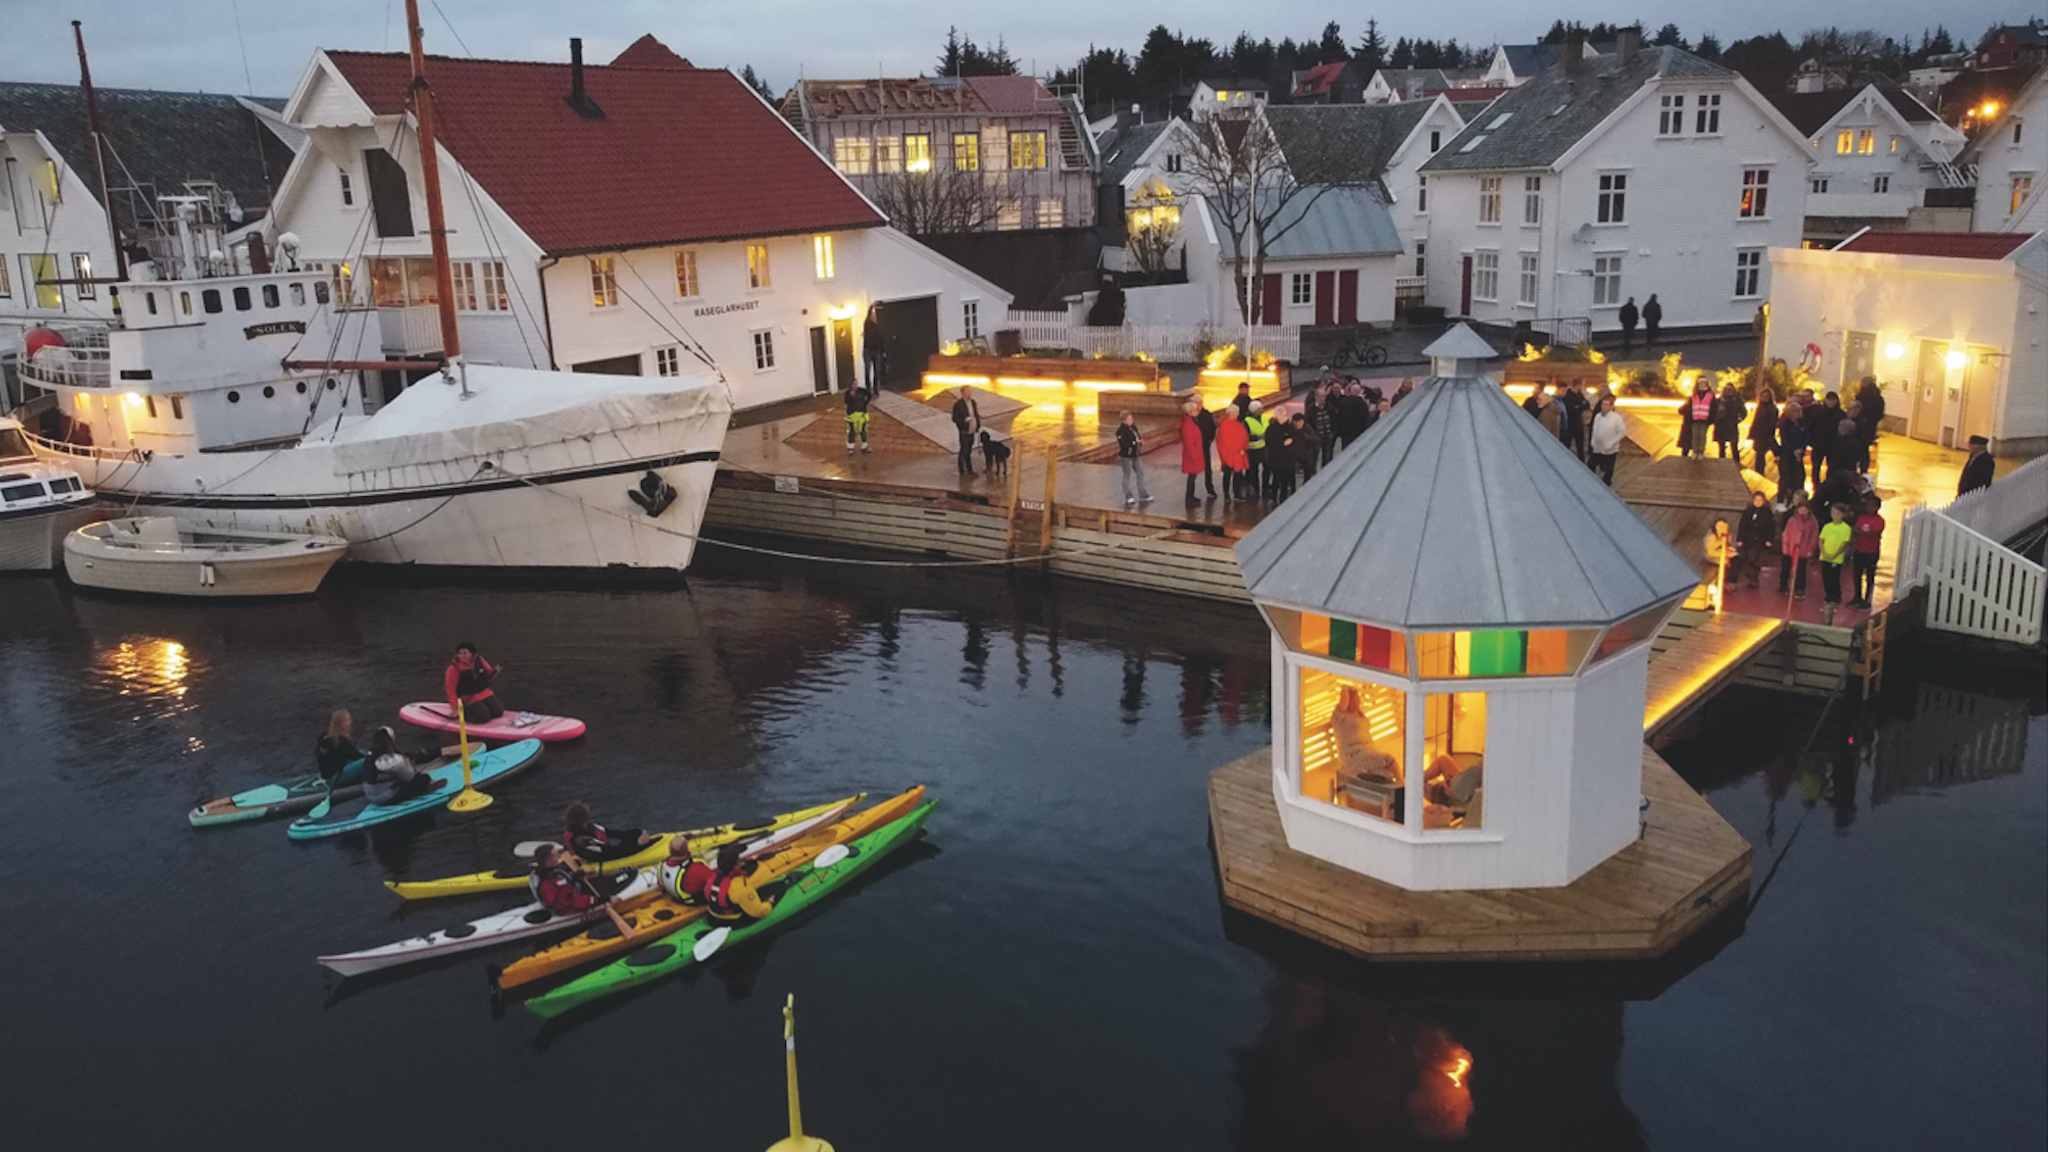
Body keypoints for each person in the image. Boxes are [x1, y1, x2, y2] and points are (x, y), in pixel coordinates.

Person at [530, 843, 634, 916]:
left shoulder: (541, 873)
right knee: (611, 886)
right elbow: (574, 901)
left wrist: (574, 876)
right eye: (555, 855)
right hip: (570, 906)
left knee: (606, 880)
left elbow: (563, 884)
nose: (558, 857)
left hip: (572, 894)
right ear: (548, 860)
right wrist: (605, 900)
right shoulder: (552, 884)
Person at [362, 725, 445, 806]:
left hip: (369, 794)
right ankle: (428, 785)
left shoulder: (370, 754)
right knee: (422, 779)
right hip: (384, 796)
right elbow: (409, 777)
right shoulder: (393, 759)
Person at [1333, 686, 1399, 783]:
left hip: (1367, 750)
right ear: (1346, 702)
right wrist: (1346, 679)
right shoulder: (1340, 716)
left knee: (1387, 775)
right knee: (1389, 760)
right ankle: (1404, 788)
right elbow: (1344, 696)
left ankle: (1383, 795)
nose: (1356, 704)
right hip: (1353, 756)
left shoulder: (1359, 713)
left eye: (1357, 700)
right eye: (1353, 701)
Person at [704, 840, 777, 924]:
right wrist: (770, 903)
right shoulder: (739, 886)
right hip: (735, 920)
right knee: (773, 891)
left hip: (714, 915)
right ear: (735, 865)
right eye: (739, 860)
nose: (742, 860)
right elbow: (759, 911)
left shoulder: (712, 878)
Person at [563, 801, 656, 862]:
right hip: (604, 857)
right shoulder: (580, 839)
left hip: (607, 850)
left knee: (635, 832)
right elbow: (609, 852)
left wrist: (637, 832)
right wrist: (637, 844)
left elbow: (612, 833)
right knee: (632, 844)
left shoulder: (590, 826)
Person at [445, 641, 504, 724]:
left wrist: (495, 671)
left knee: (498, 712)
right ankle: (464, 714)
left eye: (465, 653)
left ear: (472, 654)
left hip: (483, 692)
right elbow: (450, 689)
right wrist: (456, 707)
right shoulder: (453, 669)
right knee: (483, 717)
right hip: (467, 698)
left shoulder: (480, 661)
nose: (462, 656)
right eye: (460, 653)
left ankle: (481, 708)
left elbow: (488, 674)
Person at [1817, 503, 1854, 622]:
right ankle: (1828, 594)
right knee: (1825, 576)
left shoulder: (1846, 528)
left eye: (1838, 513)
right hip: (1825, 556)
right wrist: (1824, 552)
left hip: (1836, 559)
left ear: (1843, 514)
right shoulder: (1827, 527)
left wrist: (1834, 554)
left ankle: (1836, 595)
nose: (1835, 516)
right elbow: (1821, 540)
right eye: (1833, 513)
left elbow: (1844, 544)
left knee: (1834, 577)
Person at [656, 834, 718, 905]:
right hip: (693, 901)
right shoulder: (695, 869)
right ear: (687, 850)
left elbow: (660, 883)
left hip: (674, 895)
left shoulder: (661, 866)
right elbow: (714, 879)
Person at [1734, 490, 1776, 588]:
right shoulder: (1747, 512)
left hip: (1761, 540)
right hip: (1748, 540)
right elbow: (1742, 526)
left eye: (1760, 500)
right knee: (1746, 559)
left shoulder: (1767, 513)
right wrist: (1740, 539)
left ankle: (1754, 579)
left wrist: (1769, 540)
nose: (1757, 502)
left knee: (1757, 561)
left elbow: (1771, 527)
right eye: (1756, 499)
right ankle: (1751, 577)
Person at [1778, 500, 1819, 599]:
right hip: (1791, 548)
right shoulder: (1792, 520)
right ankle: (1784, 585)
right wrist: (1786, 547)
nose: (1803, 511)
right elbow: (1786, 533)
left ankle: (1800, 588)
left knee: (1801, 570)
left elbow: (1814, 536)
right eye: (1801, 509)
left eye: (1805, 509)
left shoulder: (1813, 522)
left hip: (1803, 550)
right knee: (1787, 567)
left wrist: (1811, 548)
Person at [1851, 497, 1885, 610]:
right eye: (1868, 506)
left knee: (1870, 575)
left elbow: (1874, 533)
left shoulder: (1880, 520)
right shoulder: (1862, 518)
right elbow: (1856, 529)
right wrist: (1863, 532)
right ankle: (1857, 596)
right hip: (1860, 550)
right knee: (1857, 574)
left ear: (1878, 507)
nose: (1870, 508)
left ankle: (1867, 599)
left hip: (1872, 552)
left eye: (1873, 506)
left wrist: (1862, 532)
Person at [315, 709, 365, 784]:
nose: (351, 722)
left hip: (327, 773)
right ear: (341, 723)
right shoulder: (341, 741)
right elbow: (356, 756)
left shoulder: (324, 736)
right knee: (367, 760)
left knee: (363, 751)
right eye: (347, 720)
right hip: (336, 777)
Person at [1587, 394, 1626, 485]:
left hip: (1609, 448)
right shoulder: (1598, 416)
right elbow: (1594, 429)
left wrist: (1612, 443)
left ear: (1611, 406)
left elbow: (1622, 432)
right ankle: (1590, 481)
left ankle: (1607, 483)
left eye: (1606, 405)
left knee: (1608, 468)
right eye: (1603, 404)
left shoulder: (1616, 418)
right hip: (1597, 447)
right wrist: (1593, 441)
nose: (1603, 407)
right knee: (1591, 465)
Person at [1216, 406, 1250, 501]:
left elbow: (1245, 436)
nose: (1238, 414)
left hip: (1238, 453)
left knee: (1238, 474)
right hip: (1229, 454)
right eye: (1236, 412)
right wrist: (1238, 449)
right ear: (1231, 413)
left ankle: (1237, 493)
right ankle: (1226, 494)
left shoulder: (1238, 424)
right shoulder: (1224, 425)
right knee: (1228, 474)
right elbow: (1225, 441)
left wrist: (1243, 448)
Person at [1777, 401, 1808, 494]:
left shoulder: (1802, 423)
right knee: (1785, 477)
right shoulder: (1785, 424)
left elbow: (1806, 437)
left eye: (1799, 411)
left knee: (1800, 476)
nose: (1797, 413)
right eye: (1795, 411)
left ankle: (1798, 496)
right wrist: (1794, 450)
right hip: (1787, 453)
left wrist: (1801, 449)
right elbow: (1785, 440)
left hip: (1799, 453)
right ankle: (1781, 497)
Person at [1179, 402, 1208, 502]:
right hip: (1192, 455)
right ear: (1189, 412)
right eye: (1195, 410)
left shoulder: (1191, 422)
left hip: (1194, 453)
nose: (1197, 411)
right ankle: (1189, 497)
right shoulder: (1188, 425)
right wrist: (1194, 455)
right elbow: (1189, 442)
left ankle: (1191, 496)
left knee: (1193, 476)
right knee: (1192, 476)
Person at [951, 386, 982, 476]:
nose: (970, 393)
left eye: (970, 391)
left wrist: (977, 426)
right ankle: (962, 470)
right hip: (964, 431)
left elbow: (975, 414)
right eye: (968, 391)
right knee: (964, 450)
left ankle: (969, 469)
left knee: (969, 450)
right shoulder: (958, 404)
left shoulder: (973, 402)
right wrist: (964, 420)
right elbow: (955, 418)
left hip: (971, 430)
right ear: (963, 393)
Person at [1242, 401, 1270, 500]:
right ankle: (1256, 489)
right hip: (1253, 449)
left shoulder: (1264, 418)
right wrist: (1257, 437)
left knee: (1267, 468)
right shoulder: (1247, 421)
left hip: (1264, 448)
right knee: (1254, 471)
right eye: (1260, 409)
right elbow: (1244, 437)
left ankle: (1266, 487)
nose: (1262, 410)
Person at [1749, 387, 1779, 475]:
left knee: (1760, 455)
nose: (1764, 398)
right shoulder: (1760, 407)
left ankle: (1760, 473)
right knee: (1759, 455)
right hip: (1759, 435)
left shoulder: (1772, 409)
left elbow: (1772, 423)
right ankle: (1759, 472)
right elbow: (1756, 421)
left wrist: (1766, 433)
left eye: (1767, 396)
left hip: (1766, 435)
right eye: (1763, 396)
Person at [1712, 385, 1746, 459]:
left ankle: (1737, 464)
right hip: (1721, 427)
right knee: (1721, 448)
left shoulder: (1737, 401)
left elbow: (1743, 412)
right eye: (1726, 389)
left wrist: (1738, 420)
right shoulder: (1719, 400)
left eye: (1730, 389)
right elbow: (1714, 411)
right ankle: (1722, 464)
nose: (1728, 391)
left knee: (1734, 447)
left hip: (1732, 426)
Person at [1683, 378, 1714, 458]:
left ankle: (1701, 452)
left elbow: (1713, 408)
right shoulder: (1694, 396)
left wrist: (1711, 419)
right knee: (1695, 436)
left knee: (1702, 436)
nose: (1702, 385)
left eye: (1704, 383)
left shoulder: (1710, 395)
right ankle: (1695, 451)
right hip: (1695, 419)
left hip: (1705, 419)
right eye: (1700, 383)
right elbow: (1690, 407)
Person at [1559, 378, 1590, 458]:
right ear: (1578, 385)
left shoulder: (1580, 395)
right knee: (1567, 444)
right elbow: (1572, 409)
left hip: (1578, 424)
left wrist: (1579, 407)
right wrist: (1580, 406)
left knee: (1581, 447)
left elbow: (1587, 404)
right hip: (1570, 424)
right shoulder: (1568, 396)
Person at [1308, 383, 1337, 465]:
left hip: (1328, 437)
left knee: (1327, 457)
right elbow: (1308, 423)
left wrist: (1333, 433)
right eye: (1320, 397)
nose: (1322, 399)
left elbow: (1334, 420)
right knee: (1314, 458)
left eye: (1324, 397)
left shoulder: (1329, 407)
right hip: (1316, 438)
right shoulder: (1311, 409)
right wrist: (1313, 436)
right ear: (1316, 397)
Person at [1291, 412, 1321, 485]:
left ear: (1302, 421)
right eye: (1295, 423)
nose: (1297, 425)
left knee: (1308, 471)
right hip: (1295, 454)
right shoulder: (1291, 429)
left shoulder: (1307, 429)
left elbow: (1316, 439)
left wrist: (1307, 437)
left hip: (1306, 454)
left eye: (1298, 423)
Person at [1702, 518, 1733, 584]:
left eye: (1724, 526)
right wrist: (1725, 554)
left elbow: (1727, 545)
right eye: (1719, 526)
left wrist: (1729, 551)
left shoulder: (1727, 535)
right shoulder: (1711, 537)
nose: (1722, 528)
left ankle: (1728, 582)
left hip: (1723, 557)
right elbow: (1710, 553)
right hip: (1713, 559)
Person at [861, 305, 885, 387]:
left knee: (877, 371)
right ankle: (868, 388)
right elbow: (868, 316)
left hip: (876, 350)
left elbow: (881, 340)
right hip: (868, 350)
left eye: (874, 316)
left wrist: (882, 351)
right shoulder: (867, 324)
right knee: (867, 370)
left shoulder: (878, 327)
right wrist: (871, 306)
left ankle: (876, 388)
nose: (874, 317)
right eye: (872, 315)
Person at [843, 384, 871, 453]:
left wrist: (865, 403)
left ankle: (864, 446)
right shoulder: (848, 393)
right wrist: (851, 396)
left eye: (856, 384)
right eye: (854, 384)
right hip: (852, 415)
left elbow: (869, 395)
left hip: (862, 414)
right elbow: (847, 402)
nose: (855, 385)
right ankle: (850, 448)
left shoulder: (861, 391)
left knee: (863, 430)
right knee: (852, 431)